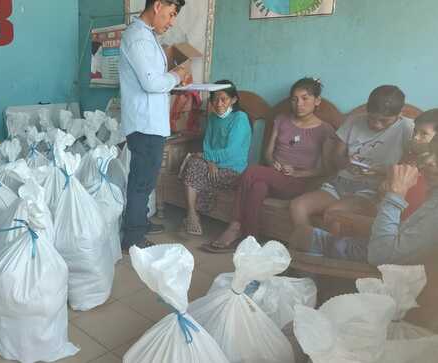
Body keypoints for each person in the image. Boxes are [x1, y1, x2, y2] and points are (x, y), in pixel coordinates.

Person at [202, 78, 334, 253]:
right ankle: (252, 241)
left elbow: (325, 169)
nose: (298, 104)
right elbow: (268, 154)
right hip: (273, 176)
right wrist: (274, 163)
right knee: (257, 187)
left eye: (305, 99)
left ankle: (234, 226)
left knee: (251, 172)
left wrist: (297, 172)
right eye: (294, 99)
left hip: (299, 183)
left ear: (317, 101)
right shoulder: (281, 120)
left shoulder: (324, 129)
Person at [290, 134, 438, 265]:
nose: (429, 161)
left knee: (303, 237)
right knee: (309, 229)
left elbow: (381, 256)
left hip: (380, 262)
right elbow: (405, 231)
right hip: (384, 243)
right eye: (431, 152)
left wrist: (396, 194)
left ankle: (318, 284)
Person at [119, 0, 190, 251]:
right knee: (141, 182)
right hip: (145, 124)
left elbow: (154, 80)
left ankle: (139, 223)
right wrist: (177, 75)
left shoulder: (146, 36)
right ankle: (133, 239)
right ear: (158, 5)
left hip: (150, 123)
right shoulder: (138, 37)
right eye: (170, 14)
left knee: (145, 181)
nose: (171, 22)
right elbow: (151, 83)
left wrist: (172, 79)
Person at [290, 85, 414, 228]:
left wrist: (380, 171)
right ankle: (306, 246)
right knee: (297, 206)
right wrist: (346, 163)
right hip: (340, 183)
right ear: (367, 109)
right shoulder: (354, 121)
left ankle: (322, 247)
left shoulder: (407, 128)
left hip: (371, 190)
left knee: (335, 214)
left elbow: (413, 164)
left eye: (384, 121)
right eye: (372, 118)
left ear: (400, 113)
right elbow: (336, 155)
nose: (377, 125)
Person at [180, 80, 252, 236]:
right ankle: (192, 214)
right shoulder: (213, 118)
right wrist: (209, 161)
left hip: (233, 170)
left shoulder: (240, 118)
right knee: (193, 163)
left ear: (233, 100)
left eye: (224, 99)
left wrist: (206, 158)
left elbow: (231, 152)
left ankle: (192, 215)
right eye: (215, 99)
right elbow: (207, 145)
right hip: (212, 165)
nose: (218, 103)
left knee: (194, 163)